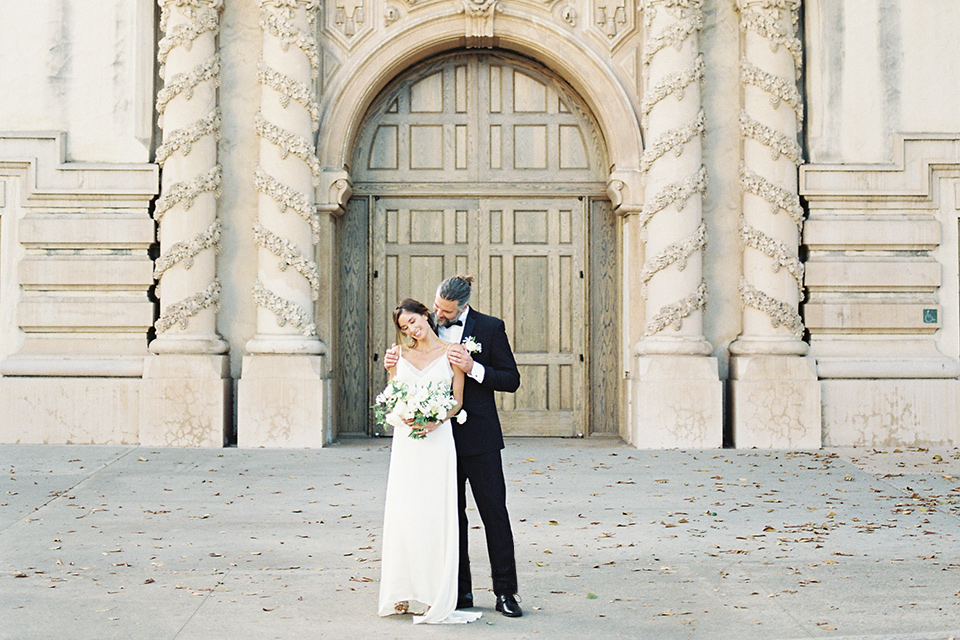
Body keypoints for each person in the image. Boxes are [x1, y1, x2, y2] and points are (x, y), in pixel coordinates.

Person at [384, 275, 523, 618]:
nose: (439, 315)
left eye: (447, 312)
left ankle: (506, 592)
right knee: (449, 519)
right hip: (436, 443)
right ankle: (458, 592)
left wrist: (473, 367)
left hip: (480, 439)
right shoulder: (417, 338)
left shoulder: (490, 328)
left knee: (494, 515)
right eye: (436, 309)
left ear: (462, 307)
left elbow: (511, 379)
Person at [377, 298, 481, 624]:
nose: (412, 329)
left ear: (425, 314)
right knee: (404, 512)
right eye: (405, 327)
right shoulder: (398, 356)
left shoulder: (452, 352)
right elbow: (393, 395)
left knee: (435, 513)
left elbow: (457, 401)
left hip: (438, 441)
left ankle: (434, 591)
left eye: (414, 321)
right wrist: (404, 413)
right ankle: (401, 591)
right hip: (408, 443)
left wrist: (437, 418)